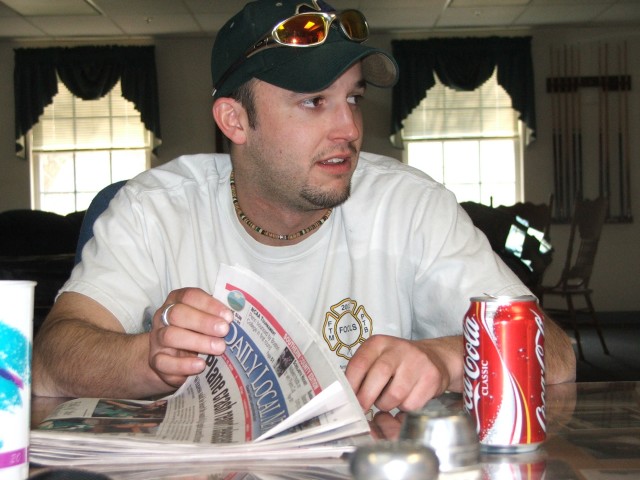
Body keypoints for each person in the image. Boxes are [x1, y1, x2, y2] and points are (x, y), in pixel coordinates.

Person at [33, 0, 575, 412]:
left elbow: (556, 355)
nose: (350, 129)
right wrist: (144, 358)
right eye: (314, 102)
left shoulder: (410, 206)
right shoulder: (154, 208)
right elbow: (53, 359)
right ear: (235, 121)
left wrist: (446, 358)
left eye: (353, 98)